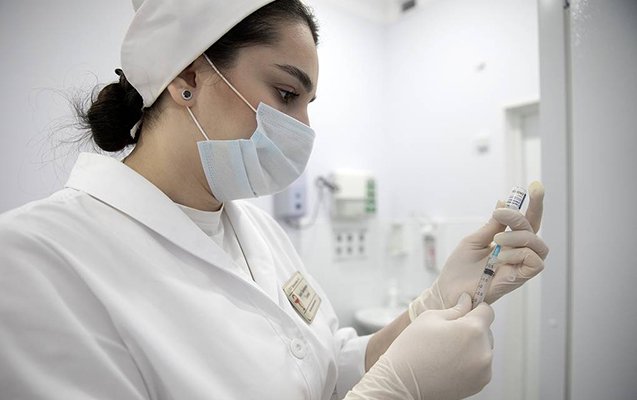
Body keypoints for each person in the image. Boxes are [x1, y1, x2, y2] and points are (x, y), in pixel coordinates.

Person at [0, 1, 549, 399]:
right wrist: (394, 393)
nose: (303, 128)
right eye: (286, 93)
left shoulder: (258, 232)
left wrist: (434, 302)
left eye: (308, 103)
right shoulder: (33, 259)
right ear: (187, 76)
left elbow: (329, 367)